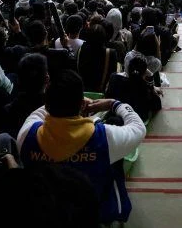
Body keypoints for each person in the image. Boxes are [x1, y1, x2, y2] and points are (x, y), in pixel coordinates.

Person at [17, 70, 146, 224]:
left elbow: (38, 114)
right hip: (90, 214)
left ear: (47, 103)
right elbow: (138, 127)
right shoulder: (104, 138)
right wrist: (114, 104)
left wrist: (65, 101)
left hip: (44, 214)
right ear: (81, 105)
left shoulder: (26, 136)